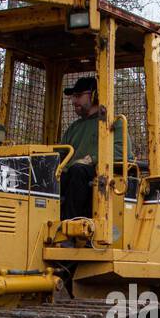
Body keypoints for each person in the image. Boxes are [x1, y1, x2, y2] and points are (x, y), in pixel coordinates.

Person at [58, 76, 123, 220]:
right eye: (73, 97)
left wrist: (91, 159)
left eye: (78, 96)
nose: (74, 101)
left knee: (78, 171)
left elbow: (121, 152)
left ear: (94, 95)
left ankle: (69, 227)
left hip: (97, 175)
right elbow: (60, 154)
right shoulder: (74, 128)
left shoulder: (113, 123)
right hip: (72, 175)